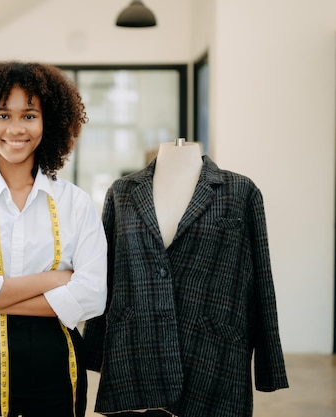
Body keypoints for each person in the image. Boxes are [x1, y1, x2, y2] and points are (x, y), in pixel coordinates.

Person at [0, 61, 108, 417]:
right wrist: (55, 280)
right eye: (3, 115)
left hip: (58, 367)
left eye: (29, 115)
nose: (16, 128)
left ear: (50, 123)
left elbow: (92, 297)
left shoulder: (75, 203)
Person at [83, 139, 288, 417]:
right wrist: (93, 352)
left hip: (212, 354)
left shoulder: (241, 191)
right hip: (135, 351)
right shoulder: (123, 192)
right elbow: (105, 275)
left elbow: (261, 281)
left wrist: (268, 365)